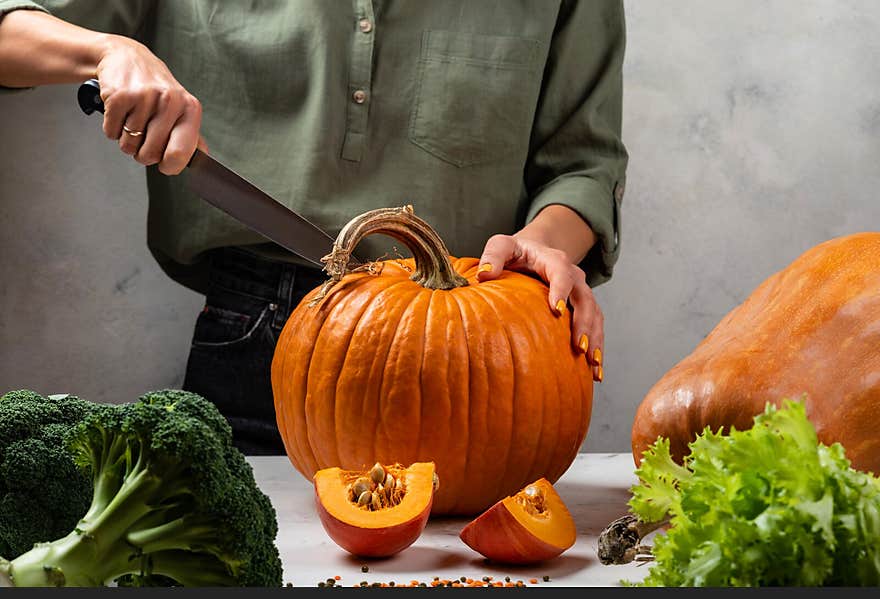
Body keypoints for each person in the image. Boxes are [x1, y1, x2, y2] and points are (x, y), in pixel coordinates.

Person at [0, 1, 628, 455]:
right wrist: (110, 51)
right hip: (257, 335)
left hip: (482, 353)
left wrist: (542, 247)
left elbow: (582, 165)